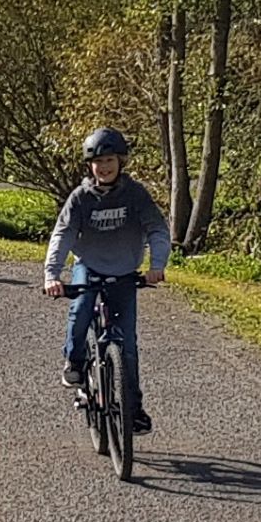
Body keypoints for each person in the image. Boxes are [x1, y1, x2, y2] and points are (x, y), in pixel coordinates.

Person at [40, 126, 168, 432]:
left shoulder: (135, 194)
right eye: (98, 161)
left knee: (127, 347)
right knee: (81, 307)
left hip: (125, 273)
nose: (104, 166)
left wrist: (157, 265)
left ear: (120, 162)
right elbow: (63, 234)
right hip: (91, 267)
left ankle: (134, 409)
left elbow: (158, 229)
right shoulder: (81, 198)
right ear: (90, 166)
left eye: (110, 159)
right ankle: (75, 361)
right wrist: (51, 275)